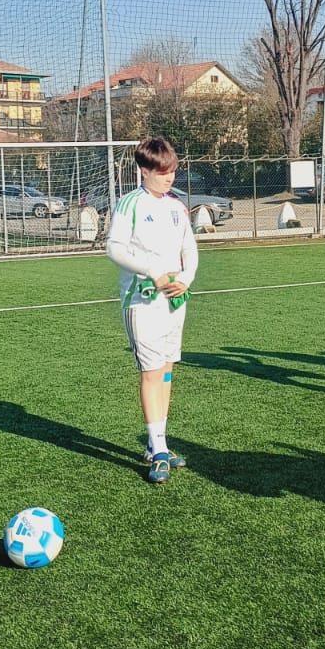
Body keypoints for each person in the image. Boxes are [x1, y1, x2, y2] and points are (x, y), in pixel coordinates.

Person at [104, 136, 199, 483]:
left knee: (167, 369)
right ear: (144, 171)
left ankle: (157, 442)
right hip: (142, 302)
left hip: (175, 301)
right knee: (151, 372)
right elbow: (114, 248)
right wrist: (153, 272)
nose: (169, 178)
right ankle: (158, 449)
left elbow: (190, 248)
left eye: (172, 171)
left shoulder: (176, 207)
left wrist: (185, 278)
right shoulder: (130, 204)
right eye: (162, 172)